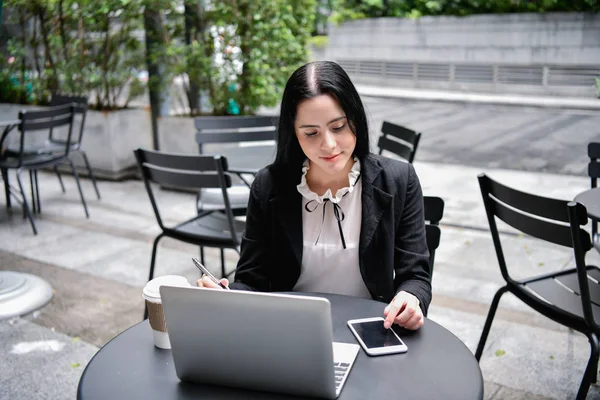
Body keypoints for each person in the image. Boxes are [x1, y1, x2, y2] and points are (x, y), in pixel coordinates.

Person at [198, 61, 431, 331]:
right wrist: (227, 294)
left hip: (371, 328)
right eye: (311, 133)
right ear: (293, 134)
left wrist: (411, 298)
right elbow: (252, 279)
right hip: (290, 330)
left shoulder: (398, 180)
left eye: (339, 127)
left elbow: (416, 276)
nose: (328, 145)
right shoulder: (268, 185)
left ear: (355, 119)